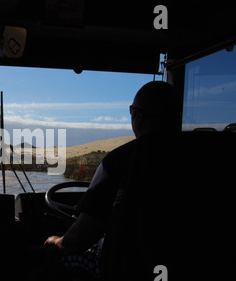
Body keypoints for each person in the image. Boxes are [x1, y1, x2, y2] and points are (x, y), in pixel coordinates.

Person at [44, 81, 182, 264]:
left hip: (130, 274)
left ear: (138, 116)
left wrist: (56, 241)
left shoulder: (120, 160)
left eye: (132, 112)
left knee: (62, 259)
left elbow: (79, 239)